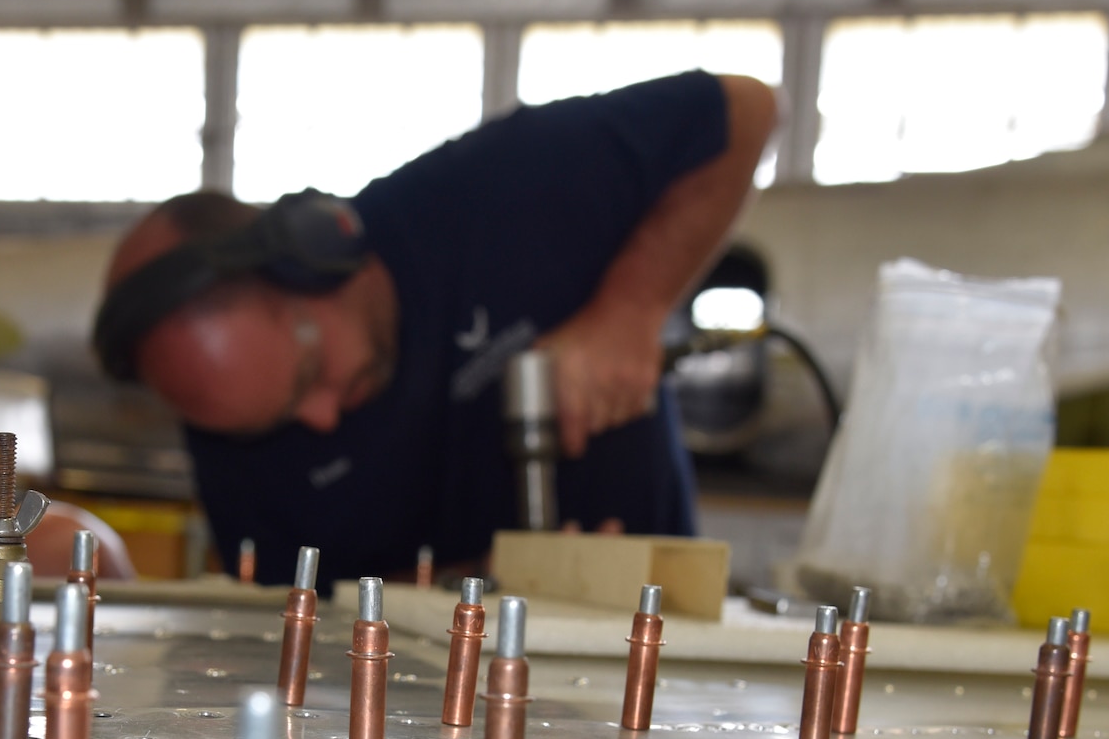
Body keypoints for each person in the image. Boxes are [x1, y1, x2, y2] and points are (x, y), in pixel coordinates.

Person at [92, 70, 777, 586]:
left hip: (655, 642)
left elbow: (743, 109)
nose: (324, 416)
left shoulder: (486, 195)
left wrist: (627, 314)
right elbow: (306, 622)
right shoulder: (231, 443)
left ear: (312, 255)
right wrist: (488, 580)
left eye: (309, 372)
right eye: (278, 419)